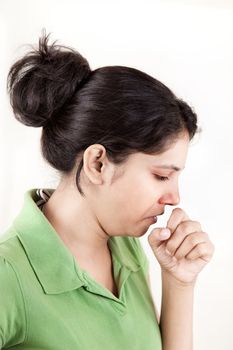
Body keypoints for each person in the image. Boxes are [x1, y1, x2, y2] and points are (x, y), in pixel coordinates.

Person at [0, 33, 214, 350]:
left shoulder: (126, 249)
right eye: (161, 176)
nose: (174, 198)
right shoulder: (9, 275)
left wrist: (180, 282)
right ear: (98, 163)